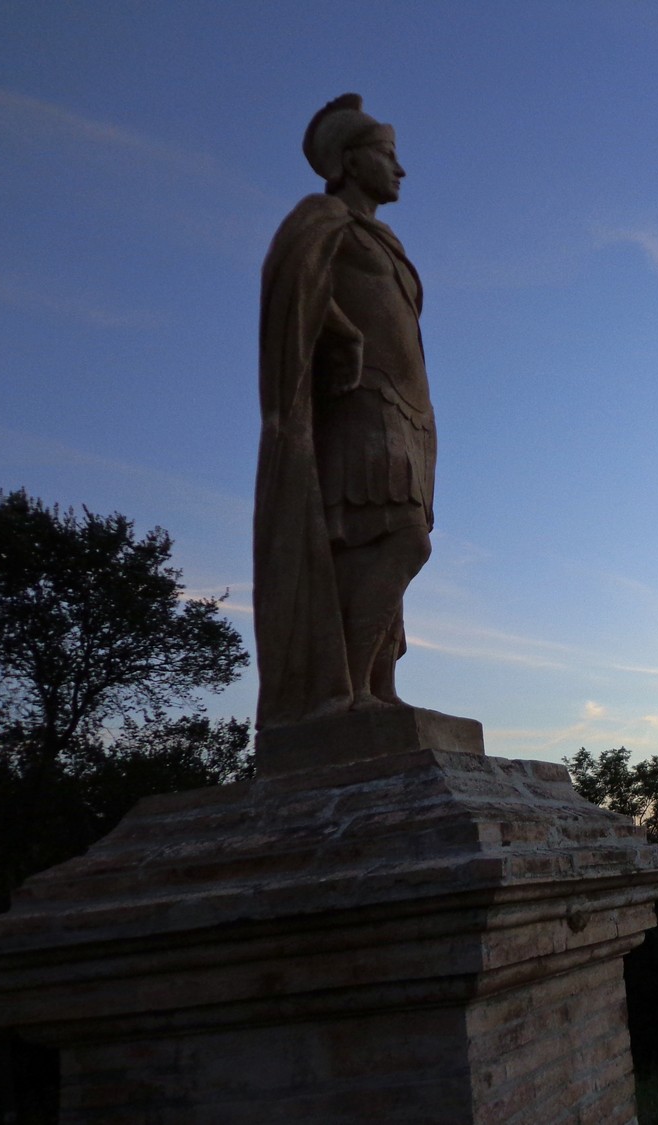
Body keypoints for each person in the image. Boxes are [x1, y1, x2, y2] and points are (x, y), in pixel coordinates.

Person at [253, 94, 435, 728]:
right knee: (402, 540)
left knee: (376, 543)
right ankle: (343, 690)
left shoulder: (381, 236)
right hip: (362, 402)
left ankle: (378, 690)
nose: (400, 169)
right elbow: (292, 291)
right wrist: (342, 332)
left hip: (410, 409)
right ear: (350, 160)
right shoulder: (321, 217)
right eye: (388, 155)